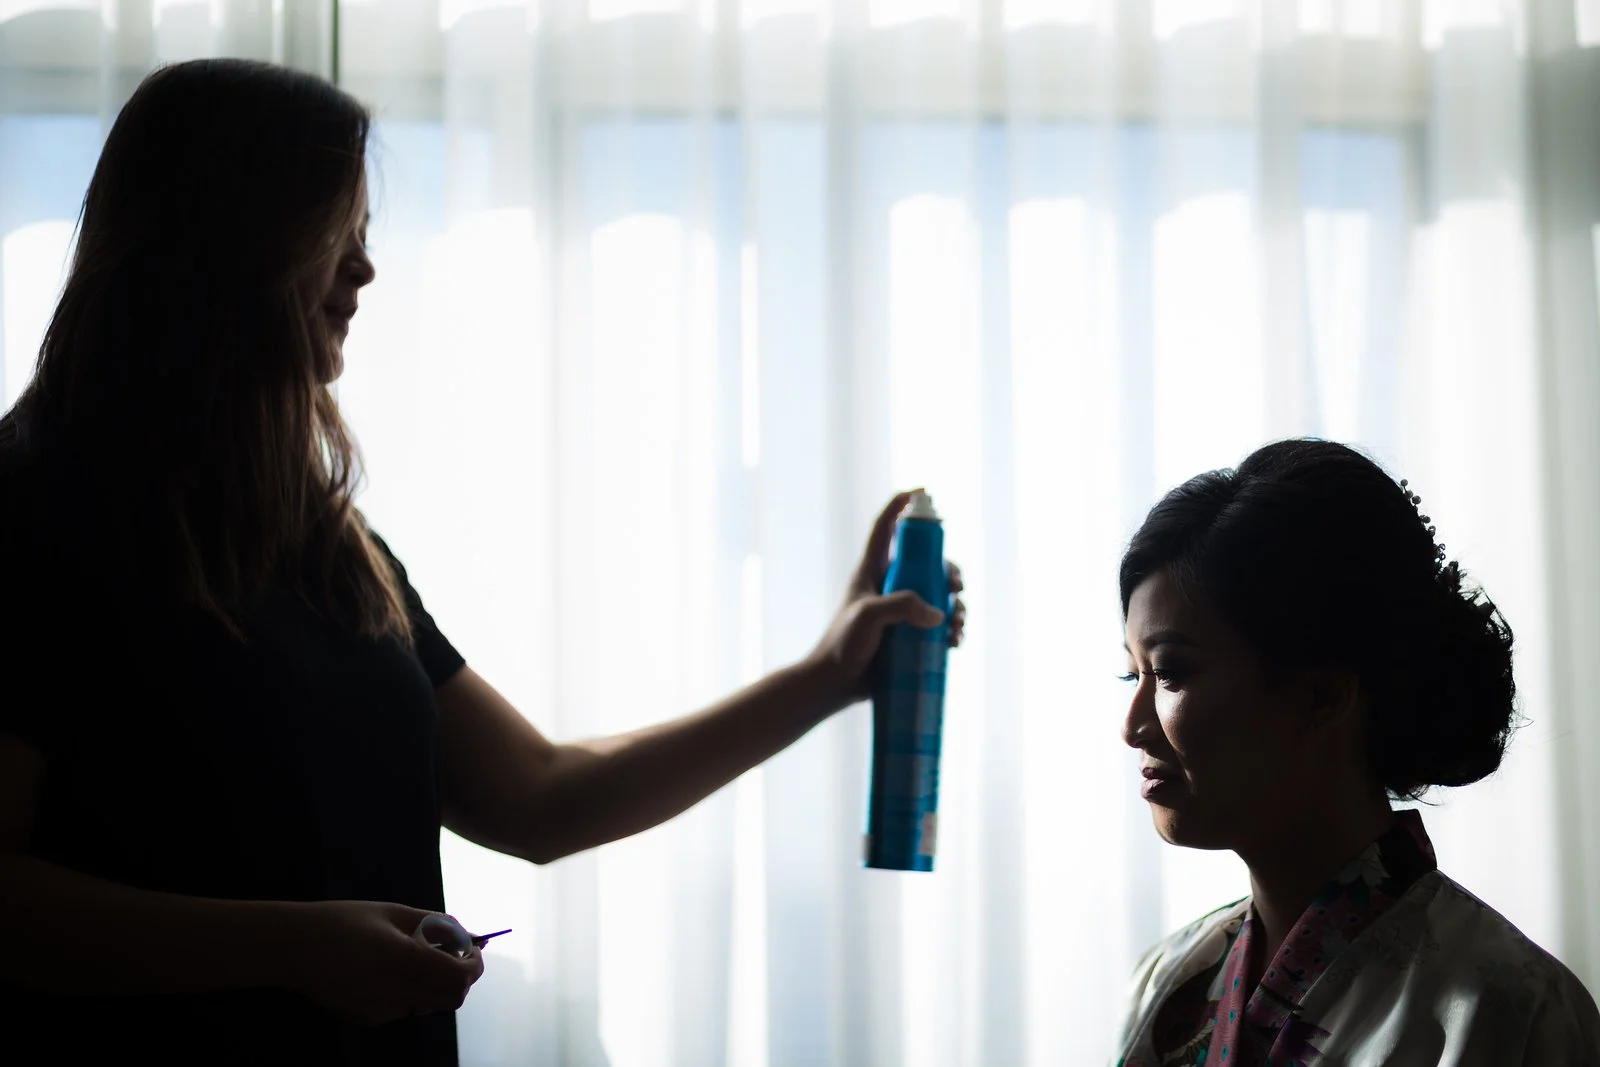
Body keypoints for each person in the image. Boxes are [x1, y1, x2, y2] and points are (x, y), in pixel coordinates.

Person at [0, 59, 965, 1066]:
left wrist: (826, 677)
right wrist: (293, 945)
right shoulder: (29, 512)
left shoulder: (331, 549)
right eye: (341, 231)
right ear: (226, 231)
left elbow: (540, 795)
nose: (366, 271)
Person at [1111, 438, 1600, 1066]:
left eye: (1172, 672)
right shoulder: (1166, 983)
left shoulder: (1505, 1013)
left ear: (1322, 695)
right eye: (1134, 676)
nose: (1133, 726)